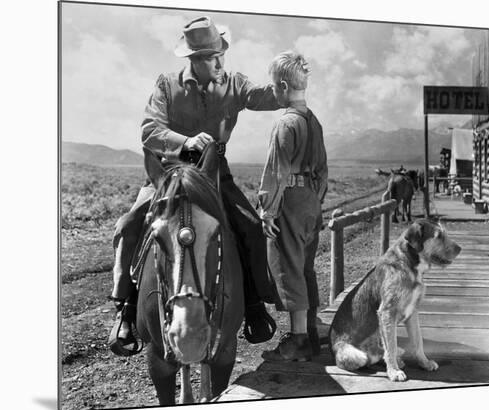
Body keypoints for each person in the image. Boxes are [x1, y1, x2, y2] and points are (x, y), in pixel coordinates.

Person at [108, 16, 280, 356]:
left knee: (249, 227)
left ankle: (254, 304)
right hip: (168, 172)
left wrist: (290, 83)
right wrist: (186, 141)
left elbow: (264, 97)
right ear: (194, 60)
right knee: (129, 226)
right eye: (209, 56)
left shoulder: (234, 83)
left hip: (216, 173)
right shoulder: (167, 85)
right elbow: (148, 130)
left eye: (219, 54)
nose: (217, 62)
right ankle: (125, 309)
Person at [258, 51, 328, 362]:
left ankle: (298, 339)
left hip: (289, 200)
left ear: (284, 86)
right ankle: (311, 334)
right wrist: (316, 202)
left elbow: (276, 171)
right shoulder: (314, 122)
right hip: (311, 200)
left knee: (288, 266)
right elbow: (323, 170)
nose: (273, 92)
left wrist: (268, 210)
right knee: (306, 267)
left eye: (273, 87)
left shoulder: (285, 124)